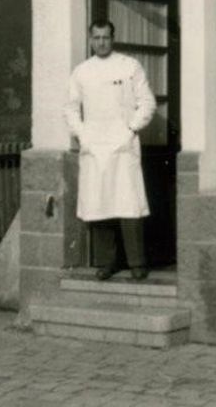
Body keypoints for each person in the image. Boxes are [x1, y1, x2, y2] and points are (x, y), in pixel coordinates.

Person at [63, 20, 156, 281]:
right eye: (96, 38)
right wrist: (83, 134)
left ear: (113, 38)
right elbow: (70, 108)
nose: (101, 42)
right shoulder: (81, 71)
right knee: (99, 202)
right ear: (90, 40)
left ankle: (137, 262)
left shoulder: (129, 66)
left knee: (128, 203)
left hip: (122, 145)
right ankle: (107, 262)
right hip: (95, 147)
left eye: (106, 37)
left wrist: (131, 128)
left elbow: (147, 102)